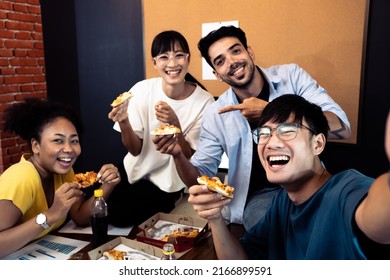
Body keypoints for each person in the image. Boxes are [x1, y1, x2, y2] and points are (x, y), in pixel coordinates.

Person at [157, 25, 351, 230]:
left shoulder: (291, 77)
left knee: (338, 223)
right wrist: (178, 154)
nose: (232, 62)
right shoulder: (216, 114)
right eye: (220, 61)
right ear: (217, 74)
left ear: (249, 52)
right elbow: (199, 176)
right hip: (261, 197)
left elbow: (343, 126)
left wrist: (270, 112)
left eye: (236, 51)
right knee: (266, 227)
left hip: (311, 182)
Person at [187, 94, 390, 259]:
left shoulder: (345, 189)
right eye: (264, 133)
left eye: (287, 131)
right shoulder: (282, 203)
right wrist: (214, 218)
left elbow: (380, 221)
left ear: (317, 144)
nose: (271, 142)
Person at [107, 30, 215, 227]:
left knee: (119, 217)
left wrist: (176, 126)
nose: (172, 64)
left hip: (168, 182)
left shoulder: (205, 102)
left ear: (188, 59)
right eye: (164, 57)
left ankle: (173, 199)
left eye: (179, 55)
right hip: (134, 169)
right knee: (95, 204)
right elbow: (135, 150)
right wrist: (124, 122)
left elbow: (189, 155)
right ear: (155, 63)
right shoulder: (141, 90)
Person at [0, 98, 121, 259]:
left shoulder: (64, 171)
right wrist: (51, 215)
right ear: (36, 146)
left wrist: (108, 185)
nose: (69, 149)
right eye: (58, 140)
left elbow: (79, 216)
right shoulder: (22, 177)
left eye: (74, 141)